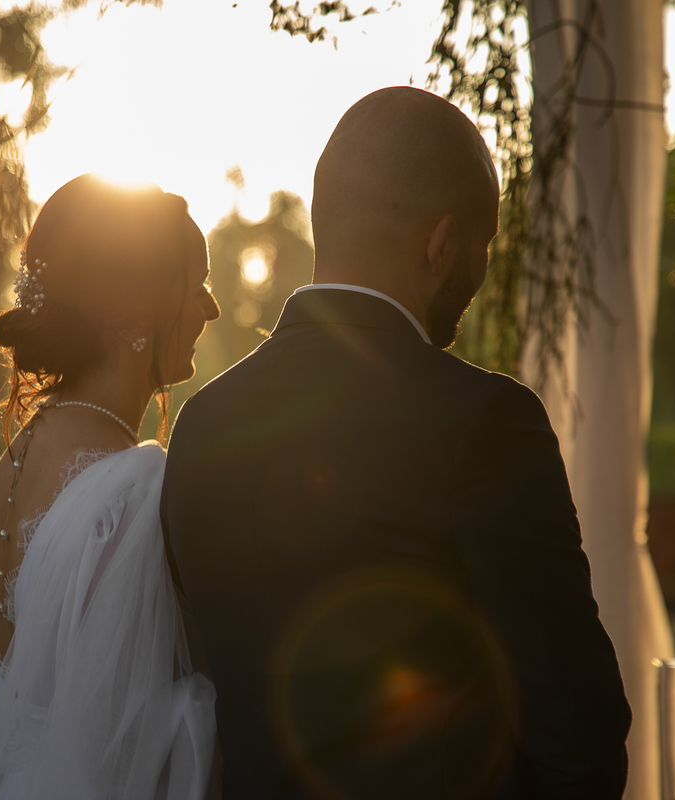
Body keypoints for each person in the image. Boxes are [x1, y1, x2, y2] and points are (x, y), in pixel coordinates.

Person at [162, 86, 633, 800]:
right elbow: (575, 727)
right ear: (441, 242)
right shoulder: (485, 422)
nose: (479, 270)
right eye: (484, 242)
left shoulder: (202, 424)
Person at [0, 173, 221, 799]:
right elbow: (129, 733)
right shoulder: (135, 490)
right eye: (199, 284)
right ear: (134, 309)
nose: (210, 307)